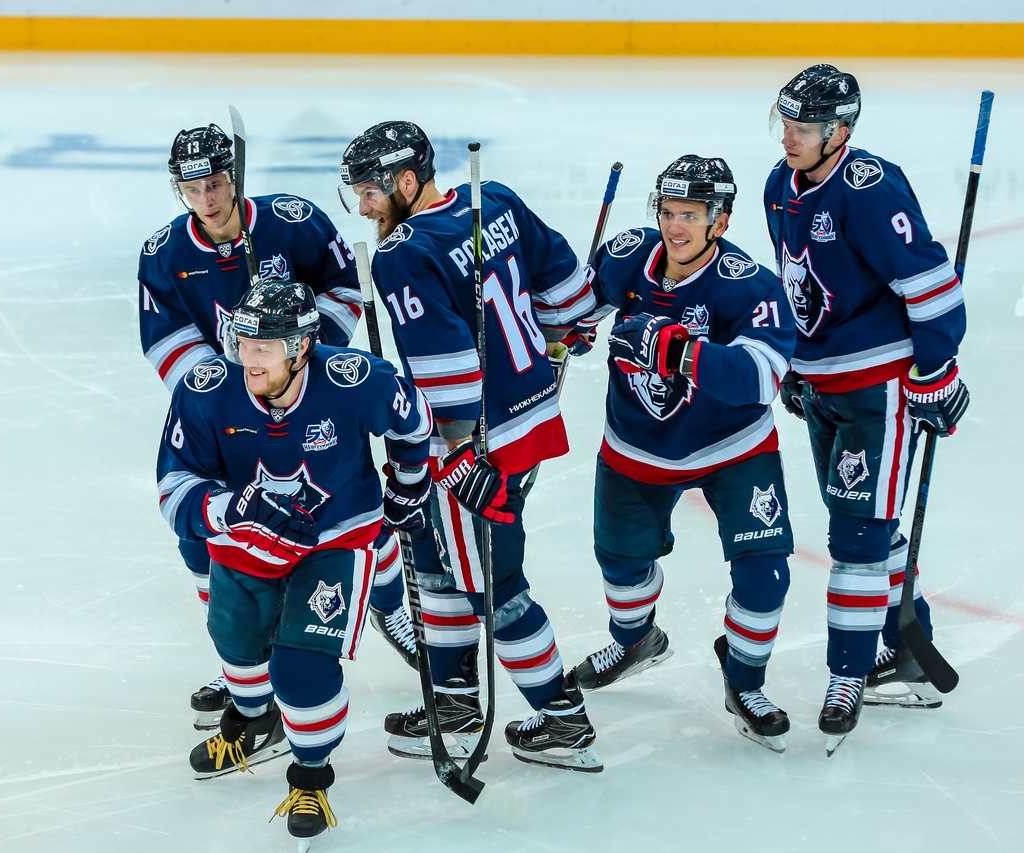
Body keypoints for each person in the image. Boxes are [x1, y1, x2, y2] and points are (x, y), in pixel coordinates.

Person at [338, 120, 603, 772]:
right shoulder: (496, 203)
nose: (364, 208)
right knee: (438, 563)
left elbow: (450, 371)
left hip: (470, 446)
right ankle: (454, 701)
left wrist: (456, 457)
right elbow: (569, 289)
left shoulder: (404, 252)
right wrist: (565, 331)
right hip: (529, 421)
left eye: (370, 193)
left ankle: (563, 717)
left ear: (406, 182)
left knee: (493, 584)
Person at [138, 124, 418, 729]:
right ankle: (241, 657)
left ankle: (392, 605)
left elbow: (343, 287)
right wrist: (226, 388)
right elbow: (165, 337)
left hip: (305, 393)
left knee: (349, 503)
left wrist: (306, 363)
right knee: (205, 532)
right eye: (193, 189)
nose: (207, 199)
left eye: (216, 184)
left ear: (234, 177)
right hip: (229, 410)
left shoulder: (293, 220)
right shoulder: (164, 253)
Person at [156, 278, 433, 845]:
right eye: (242, 342)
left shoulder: (355, 381)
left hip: (336, 539)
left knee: (300, 668)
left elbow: (414, 424)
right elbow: (173, 485)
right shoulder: (207, 390)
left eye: (263, 347)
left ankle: (310, 775)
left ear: (301, 346)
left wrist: (408, 489)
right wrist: (229, 508)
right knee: (236, 645)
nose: (248, 358)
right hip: (244, 540)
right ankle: (256, 720)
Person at [764, 64, 970, 752]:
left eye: (804, 127)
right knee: (867, 524)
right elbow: (796, 288)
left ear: (841, 131)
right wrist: (794, 363)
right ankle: (910, 651)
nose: (789, 137)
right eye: (785, 123)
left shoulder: (870, 188)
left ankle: (847, 677)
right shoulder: (779, 185)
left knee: (857, 537)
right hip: (823, 386)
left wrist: (935, 370)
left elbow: (929, 283)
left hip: (879, 388)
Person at [564, 156, 798, 753]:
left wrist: (679, 353)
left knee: (766, 574)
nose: (675, 226)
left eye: (691, 215)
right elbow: (578, 306)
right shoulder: (626, 257)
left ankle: (745, 681)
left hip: (733, 447)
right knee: (620, 563)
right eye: (668, 212)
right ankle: (636, 640)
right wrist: (570, 325)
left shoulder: (749, 285)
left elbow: (762, 377)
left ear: (720, 220)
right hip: (637, 446)